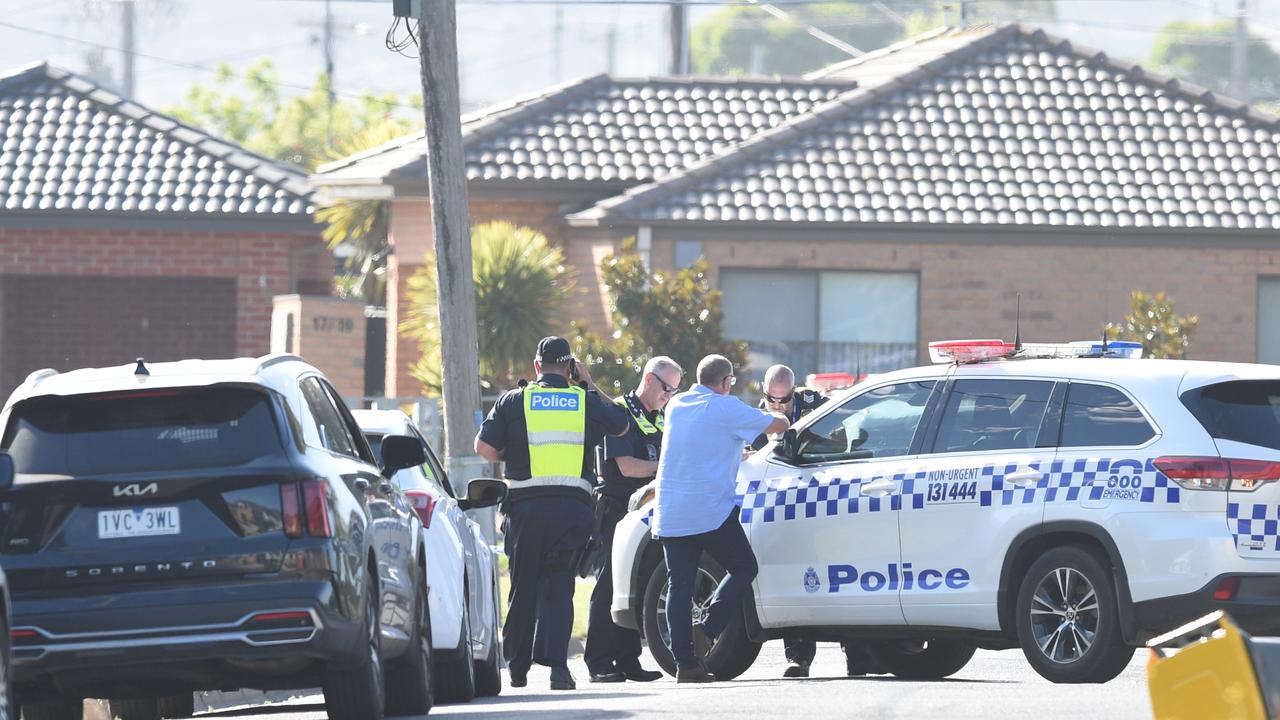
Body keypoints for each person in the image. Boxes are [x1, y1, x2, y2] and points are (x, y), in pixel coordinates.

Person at [475, 336, 630, 691]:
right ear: (569, 366)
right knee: (560, 589)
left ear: (536, 366)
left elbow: (483, 447)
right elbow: (622, 425)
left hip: (526, 511)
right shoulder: (583, 400)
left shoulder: (515, 400)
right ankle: (559, 669)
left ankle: (517, 668)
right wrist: (589, 385)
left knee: (523, 586)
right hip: (572, 511)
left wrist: (512, 456)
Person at [653, 354, 789, 683]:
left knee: (679, 585)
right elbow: (779, 426)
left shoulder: (676, 405)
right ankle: (710, 626)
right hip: (710, 511)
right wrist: (778, 412)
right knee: (744, 567)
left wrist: (730, 450)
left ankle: (685, 665)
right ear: (726, 383)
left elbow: (703, 440)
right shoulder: (726, 408)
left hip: (670, 512)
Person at [753, 364, 876, 679]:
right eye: (772, 400)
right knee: (798, 580)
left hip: (825, 502)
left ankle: (858, 657)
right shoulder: (758, 418)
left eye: (785, 400)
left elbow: (840, 441)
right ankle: (799, 658)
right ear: (764, 392)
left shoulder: (814, 405)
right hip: (787, 510)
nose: (779, 406)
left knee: (842, 577)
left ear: (793, 392)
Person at [584, 356, 683, 684]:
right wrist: (666, 467)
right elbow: (626, 466)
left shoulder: (659, 417)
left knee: (632, 584)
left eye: (674, 391)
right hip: (616, 508)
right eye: (667, 388)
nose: (668, 396)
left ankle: (628, 660)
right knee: (609, 583)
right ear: (650, 379)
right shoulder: (621, 413)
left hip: (645, 510)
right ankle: (598, 661)